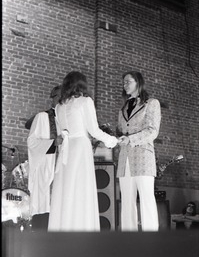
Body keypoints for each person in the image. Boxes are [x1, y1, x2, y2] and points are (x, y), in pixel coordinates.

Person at [48, 71, 119, 232]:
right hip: (80, 147)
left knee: (66, 188)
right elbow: (93, 130)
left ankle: (63, 227)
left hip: (66, 149)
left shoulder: (58, 107)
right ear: (82, 84)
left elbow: (60, 134)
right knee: (81, 189)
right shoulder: (85, 101)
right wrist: (112, 141)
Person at [116, 70, 161, 231]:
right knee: (126, 201)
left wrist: (131, 139)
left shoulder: (152, 103)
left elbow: (152, 131)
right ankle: (129, 239)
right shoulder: (123, 108)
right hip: (124, 159)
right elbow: (121, 130)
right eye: (124, 82)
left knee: (146, 198)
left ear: (138, 83)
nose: (125, 84)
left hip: (143, 157)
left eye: (128, 81)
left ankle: (151, 240)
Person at [27, 85, 63, 231]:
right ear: (52, 99)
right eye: (59, 97)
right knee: (44, 204)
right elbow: (31, 141)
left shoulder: (67, 119)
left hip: (62, 167)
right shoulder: (42, 117)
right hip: (45, 166)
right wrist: (53, 142)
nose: (62, 100)